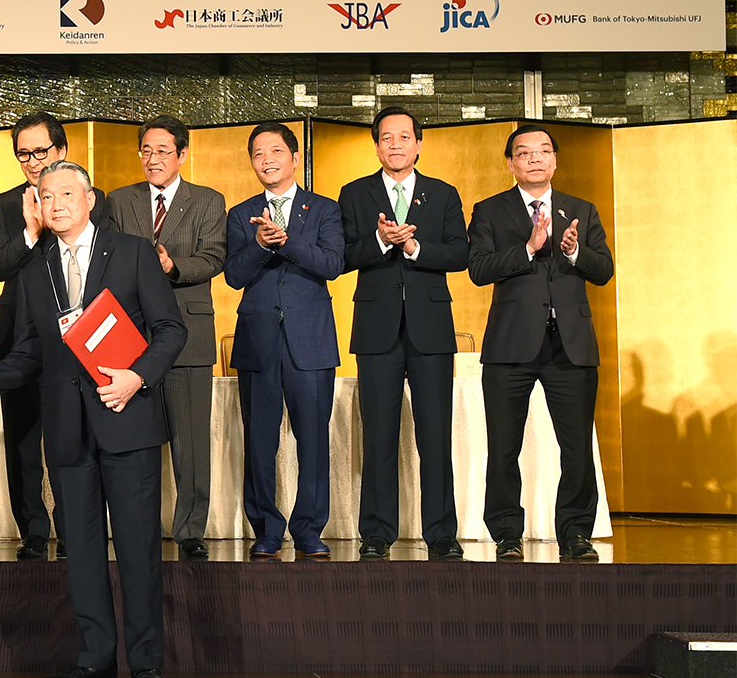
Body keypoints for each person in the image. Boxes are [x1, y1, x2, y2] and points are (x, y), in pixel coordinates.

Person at [0, 161, 185, 678]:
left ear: (90, 199)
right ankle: (94, 658)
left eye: (66, 194)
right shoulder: (34, 270)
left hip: (127, 419)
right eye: (45, 196)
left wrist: (137, 376)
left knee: (139, 548)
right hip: (67, 429)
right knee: (81, 549)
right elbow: (28, 352)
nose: (55, 204)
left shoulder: (134, 252)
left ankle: (146, 662)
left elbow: (170, 330)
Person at [468, 124, 614, 562]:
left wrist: (572, 252)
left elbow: (603, 270)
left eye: (544, 151)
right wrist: (529, 248)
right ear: (510, 163)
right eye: (524, 152)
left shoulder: (581, 210)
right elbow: (478, 269)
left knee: (577, 446)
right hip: (511, 344)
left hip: (570, 345)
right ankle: (506, 534)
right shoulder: (490, 211)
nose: (535, 158)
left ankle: (575, 533)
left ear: (554, 160)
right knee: (503, 446)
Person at [339, 108, 468, 562]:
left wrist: (413, 247)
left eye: (404, 137)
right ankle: (376, 532)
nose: (395, 145)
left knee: (436, 435)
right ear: (376, 146)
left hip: (430, 329)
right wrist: (380, 242)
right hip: (377, 328)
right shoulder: (354, 193)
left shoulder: (443, 193)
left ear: (419, 144)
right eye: (387, 138)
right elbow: (342, 256)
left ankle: (441, 533)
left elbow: (460, 254)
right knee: (378, 435)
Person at [0, 112, 112, 561]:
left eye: (41, 151)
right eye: (24, 154)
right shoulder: (5, 204)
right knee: (22, 444)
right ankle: (33, 532)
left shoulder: (91, 198)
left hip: (79, 340)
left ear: (62, 151)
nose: (33, 161)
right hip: (19, 338)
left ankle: (75, 530)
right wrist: (30, 231)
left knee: (73, 439)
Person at [107, 115, 226, 560]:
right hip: (132, 340)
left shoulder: (208, 200)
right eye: (146, 151)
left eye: (162, 151)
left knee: (190, 442)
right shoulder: (120, 200)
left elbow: (214, 257)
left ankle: (190, 529)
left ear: (182, 154)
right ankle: (140, 526)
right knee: (137, 441)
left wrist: (172, 266)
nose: (153, 158)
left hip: (189, 333)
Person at [223, 123, 343, 560]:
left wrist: (286, 242)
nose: (267, 160)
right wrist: (259, 244)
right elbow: (234, 275)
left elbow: (332, 264)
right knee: (259, 442)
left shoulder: (324, 209)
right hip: (258, 341)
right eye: (258, 153)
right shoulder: (241, 214)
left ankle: (309, 529)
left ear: (295, 158)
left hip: (310, 340)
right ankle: (266, 529)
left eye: (276, 151)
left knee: (313, 440)